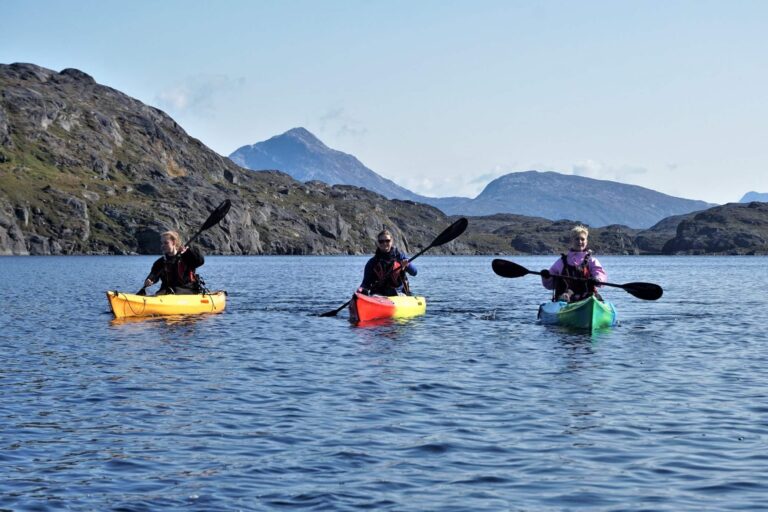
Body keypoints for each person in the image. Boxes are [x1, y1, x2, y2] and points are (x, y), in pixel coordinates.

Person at [540, 225, 606, 303]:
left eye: (582, 239)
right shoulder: (561, 261)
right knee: (565, 296)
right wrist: (546, 277)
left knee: (593, 295)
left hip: (587, 297)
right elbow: (549, 285)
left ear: (586, 241)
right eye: (577, 239)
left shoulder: (592, 261)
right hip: (566, 298)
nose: (580, 242)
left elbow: (599, 273)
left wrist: (598, 279)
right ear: (571, 241)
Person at [143, 230, 205, 295]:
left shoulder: (186, 257)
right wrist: (150, 280)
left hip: (187, 289)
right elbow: (154, 274)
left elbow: (200, 261)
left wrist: (188, 251)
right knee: (162, 293)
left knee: (173, 291)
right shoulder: (160, 262)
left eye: (166, 243)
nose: (163, 245)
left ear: (174, 242)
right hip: (167, 290)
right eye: (162, 243)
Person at [359, 229, 417, 296]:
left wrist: (407, 265)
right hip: (378, 295)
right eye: (381, 241)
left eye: (387, 241)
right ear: (378, 243)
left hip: (399, 294)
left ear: (391, 241)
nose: (384, 243)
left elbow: (414, 272)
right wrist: (360, 291)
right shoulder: (372, 262)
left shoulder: (400, 257)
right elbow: (365, 283)